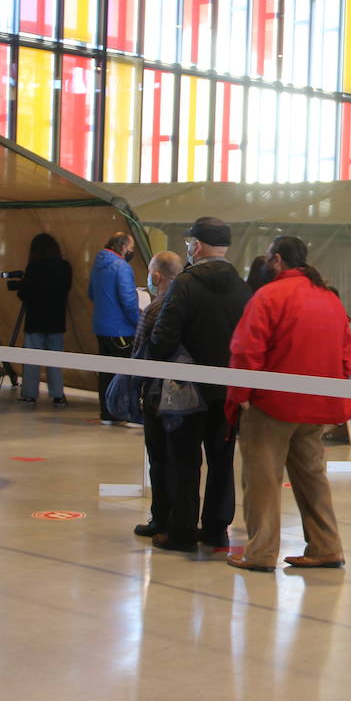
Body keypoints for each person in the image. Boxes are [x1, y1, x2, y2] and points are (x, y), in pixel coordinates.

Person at [225, 236, 351, 572]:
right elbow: (344, 355)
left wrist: (239, 397)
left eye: (269, 258)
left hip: (272, 406)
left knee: (262, 480)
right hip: (316, 407)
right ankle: (327, 546)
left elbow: (246, 350)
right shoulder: (330, 299)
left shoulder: (268, 296)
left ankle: (260, 553)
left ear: (278, 260)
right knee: (312, 477)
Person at [147, 218, 252, 552]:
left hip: (186, 389)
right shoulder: (242, 287)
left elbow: (163, 337)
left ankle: (181, 532)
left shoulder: (185, 284)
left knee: (184, 459)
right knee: (222, 459)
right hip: (228, 390)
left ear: (197, 245)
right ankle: (216, 529)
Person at [131, 250, 185, 542]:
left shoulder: (154, 310)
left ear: (156, 276)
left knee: (159, 457)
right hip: (187, 394)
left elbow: (138, 352)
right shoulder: (188, 305)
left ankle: (161, 517)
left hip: (156, 393)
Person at [88, 231, 140, 425]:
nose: (132, 251)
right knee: (126, 373)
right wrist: (139, 322)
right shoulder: (122, 267)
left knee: (106, 373)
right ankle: (126, 412)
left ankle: (107, 413)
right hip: (121, 329)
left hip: (101, 326)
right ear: (124, 247)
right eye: (132, 248)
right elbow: (128, 301)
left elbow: (91, 293)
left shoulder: (97, 265)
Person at [15, 233, 73, 407]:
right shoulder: (65, 267)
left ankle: (30, 394)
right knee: (55, 360)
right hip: (56, 320)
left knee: (32, 359)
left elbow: (24, 293)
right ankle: (57, 394)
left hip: (35, 320)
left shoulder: (34, 266)